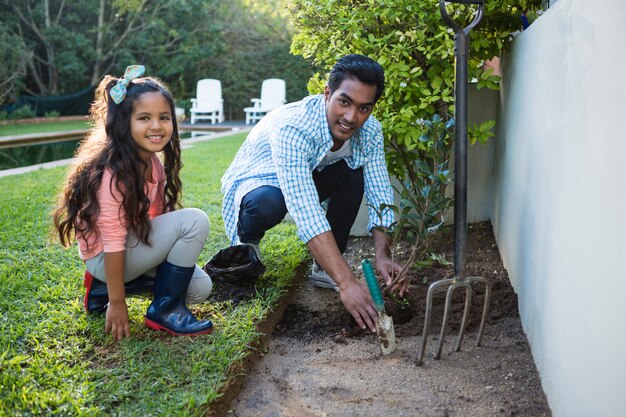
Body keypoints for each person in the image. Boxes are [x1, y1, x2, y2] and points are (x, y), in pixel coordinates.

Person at [221, 54, 407, 333]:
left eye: (363, 108)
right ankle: (248, 242)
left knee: (353, 174)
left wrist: (383, 254)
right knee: (267, 203)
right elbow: (306, 209)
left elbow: (380, 191)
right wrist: (347, 282)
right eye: (344, 102)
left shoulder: (370, 131)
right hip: (260, 180)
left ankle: (324, 266)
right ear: (327, 93)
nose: (351, 117)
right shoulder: (294, 126)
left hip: (309, 175)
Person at [53, 65, 213, 340]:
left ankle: (102, 288)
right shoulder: (115, 174)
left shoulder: (154, 165)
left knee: (200, 288)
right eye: (144, 118)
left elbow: (157, 220)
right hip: (105, 255)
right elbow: (114, 240)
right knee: (195, 220)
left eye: (164, 117)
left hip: (130, 247)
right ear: (124, 123)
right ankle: (164, 311)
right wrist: (118, 303)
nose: (156, 126)